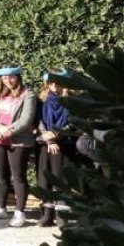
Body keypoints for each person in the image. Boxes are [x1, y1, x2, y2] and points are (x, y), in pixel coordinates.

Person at [0, 66, 38, 227]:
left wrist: (7, 131)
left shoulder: (28, 95)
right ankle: (1, 207)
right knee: (1, 176)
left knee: (19, 177)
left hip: (19, 140)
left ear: (18, 77)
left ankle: (20, 212)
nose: (8, 80)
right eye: (5, 78)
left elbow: (26, 119)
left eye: (11, 77)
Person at [37, 69, 75, 227]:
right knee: (44, 179)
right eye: (51, 82)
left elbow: (72, 123)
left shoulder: (72, 101)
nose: (54, 85)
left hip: (64, 145)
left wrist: (56, 135)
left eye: (58, 82)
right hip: (46, 144)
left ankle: (62, 215)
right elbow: (39, 121)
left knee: (61, 179)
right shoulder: (43, 100)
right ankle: (47, 213)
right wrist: (49, 139)